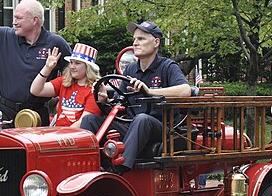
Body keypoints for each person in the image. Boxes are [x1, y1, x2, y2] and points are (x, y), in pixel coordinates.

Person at [81, 20, 191, 174]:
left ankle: (118, 169)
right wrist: (106, 101)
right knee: (90, 119)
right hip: (132, 125)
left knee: (142, 118)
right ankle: (88, 165)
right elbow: (121, 102)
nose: (135, 43)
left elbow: (185, 90)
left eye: (141, 39)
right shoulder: (131, 69)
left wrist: (150, 91)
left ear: (156, 42)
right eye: (134, 39)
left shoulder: (167, 66)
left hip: (161, 127)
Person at [30, 43, 102, 127]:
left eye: (77, 63)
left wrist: (59, 136)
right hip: (60, 134)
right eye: (71, 62)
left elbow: (83, 123)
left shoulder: (94, 90)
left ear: (88, 67)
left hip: (76, 137)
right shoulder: (64, 81)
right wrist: (47, 68)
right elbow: (35, 90)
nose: (72, 66)